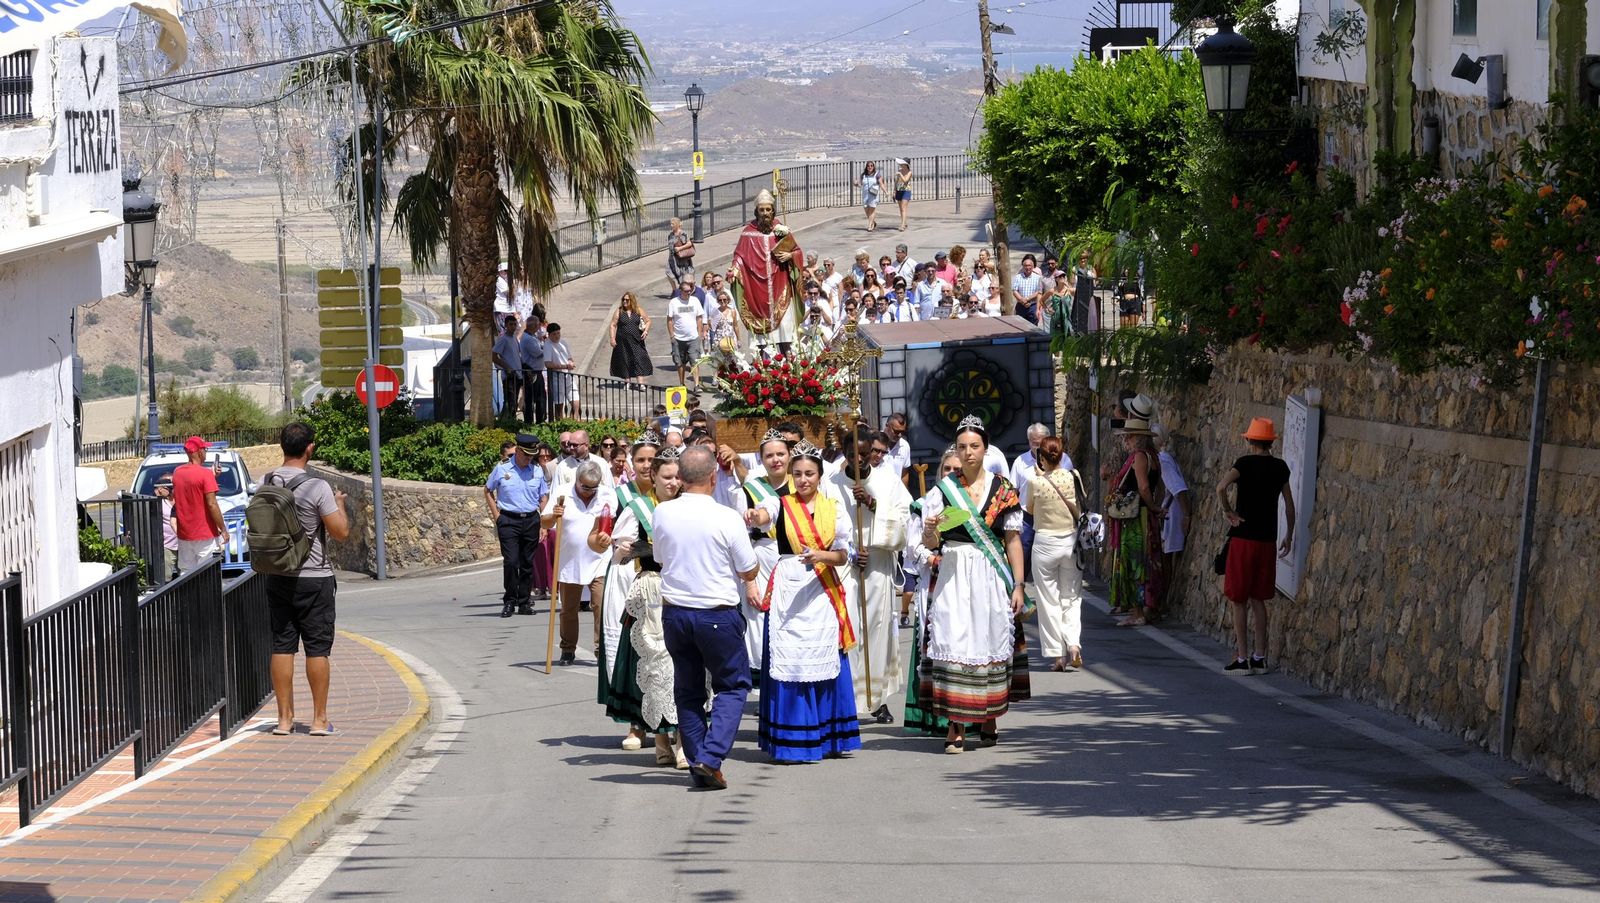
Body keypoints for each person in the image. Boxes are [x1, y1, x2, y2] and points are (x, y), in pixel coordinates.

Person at [916, 416, 1028, 753]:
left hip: (990, 575)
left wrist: (1019, 585)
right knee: (954, 638)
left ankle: (990, 716)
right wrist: (930, 529)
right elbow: (931, 542)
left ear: (985, 449)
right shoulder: (944, 490)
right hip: (953, 572)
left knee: (988, 637)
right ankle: (956, 726)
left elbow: (1012, 541)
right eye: (962, 447)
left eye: (974, 446)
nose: (968, 453)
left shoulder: (1003, 490)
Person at [654, 446, 762, 790]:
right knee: (732, 686)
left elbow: (659, 556)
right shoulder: (726, 516)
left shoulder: (663, 513)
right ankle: (710, 758)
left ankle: (701, 762)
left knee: (687, 691)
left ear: (681, 479)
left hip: (675, 613)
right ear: (714, 477)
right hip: (715, 612)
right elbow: (749, 569)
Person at [754, 440, 864, 763]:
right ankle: (791, 738)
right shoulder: (779, 503)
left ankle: (829, 735)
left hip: (822, 586)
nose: (803, 480)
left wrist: (820, 555)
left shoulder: (833, 508)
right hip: (789, 585)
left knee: (824, 652)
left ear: (819, 476)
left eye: (810, 474)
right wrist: (753, 513)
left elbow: (844, 555)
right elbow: (763, 514)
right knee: (791, 657)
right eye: (798, 474)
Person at [601, 443, 690, 769]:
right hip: (652, 591)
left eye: (677, 477)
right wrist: (625, 548)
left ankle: (682, 741)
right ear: (653, 477)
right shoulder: (639, 508)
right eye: (666, 477)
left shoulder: (688, 506)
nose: (673, 483)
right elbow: (617, 554)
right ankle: (662, 741)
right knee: (655, 667)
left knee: (684, 665)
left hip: (683, 589)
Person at [263, 422, 351, 737]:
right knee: (317, 649)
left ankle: (284, 721)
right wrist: (339, 505)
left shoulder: (267, 481)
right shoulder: (317, 487)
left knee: (282, 645)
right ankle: (319, 720)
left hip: (277, 576)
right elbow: (340, 532)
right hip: (314, 578)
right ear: (310, 448)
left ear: (282, 446)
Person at [831, 430, 909, 723]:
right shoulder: (832, 484)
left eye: (865, 454)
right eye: (854, 454)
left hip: (877, 564)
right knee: (848, 630)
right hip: (844, 568)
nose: (860, 459)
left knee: (876, 630)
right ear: (845, 451)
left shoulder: (887, 480)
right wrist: (849, 552)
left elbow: (905, 519)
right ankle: (848, 699)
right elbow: (824, 526)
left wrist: (874, 505)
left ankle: (877, 699)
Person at [593, 433, 661, 751]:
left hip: (661, 583)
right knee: (633, 649)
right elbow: (596, 538)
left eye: (652, 459)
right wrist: (603, 542)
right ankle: (636, 725)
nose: (646, 465)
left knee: (663, 653)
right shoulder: (618, 495)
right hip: (626, 578)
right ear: (632, 462)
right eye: (641, 460)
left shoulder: (672, 494)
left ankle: (666, 722)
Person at [1216, 418, 1294, 673]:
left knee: (1238, 599)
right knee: (1259, 599)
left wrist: (1229, 512)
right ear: (1271, 442)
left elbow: (1221, 487)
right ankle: (1260, 657)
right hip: (1267, 540)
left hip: (1244, 537)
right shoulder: (1280, 468)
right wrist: (1289, 535)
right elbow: (1289, 506)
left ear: (1249, 440)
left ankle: (1242, 658)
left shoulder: (1244, 464)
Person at [903, 449, 963, 736]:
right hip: (933, 581)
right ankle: (935, 717)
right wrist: (931, 558)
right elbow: (912, 547)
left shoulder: (972, 504)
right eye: (947, 468)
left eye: (957, 468)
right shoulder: (924, 504)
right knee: (934, 643)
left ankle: (965, 714)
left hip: (964, 583)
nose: (951, 472)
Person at [542, 461, 617, 665]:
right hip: (569, 561)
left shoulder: (607, 494)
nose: (589, 492)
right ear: (577, 480)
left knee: (600, 606)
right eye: (585, 487)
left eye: (593, 488)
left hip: (599, 559)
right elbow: (545, 522)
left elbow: (609, 524)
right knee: (569, 609)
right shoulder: (562, 493)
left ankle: (601, 650)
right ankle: (567, 649)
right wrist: (554, 514)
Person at [737, 430, 792, 684]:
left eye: (781, 454)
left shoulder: (801, 483)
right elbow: (742, 537)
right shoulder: (750, 490)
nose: (776, 460)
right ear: (761, 459)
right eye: (769, 455)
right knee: (760, 619)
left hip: (793, 559)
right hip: (760, 558)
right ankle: (766, 684)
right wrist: (748, 581)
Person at [1027, 437, 1084, 672]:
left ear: (1041, 457)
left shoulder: (1034, 481)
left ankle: (1057, 655)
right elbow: (1082, 502)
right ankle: (1073, 644)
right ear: (1061, 455)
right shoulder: (1074, 476)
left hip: (1045, 542)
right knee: (1071, 596)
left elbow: (1029, 509)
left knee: (1048, 600)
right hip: (1070, 541)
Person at [728, 188, 805, 359]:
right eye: (762, 210)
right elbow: (739, 257)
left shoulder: (781, 230)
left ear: (773, 210)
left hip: (780, 287)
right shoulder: (748, 233)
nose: (765, 213)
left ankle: (788, 368)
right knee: (762, 342)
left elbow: (798, 251)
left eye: (768, 209)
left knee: (784, 336)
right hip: (757, 293)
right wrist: (734, 269)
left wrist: (791, 255)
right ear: (757, 211)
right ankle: (764, 374)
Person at [1107, 414, 1166, 627]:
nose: (1126, 440)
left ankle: (1138, 612)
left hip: (1135, 518)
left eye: (1129, 436)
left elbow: (1143, 487)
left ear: (1137, 438)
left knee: (1135, 562)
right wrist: (1156, 508)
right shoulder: (1154, 456)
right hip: (1146, 517)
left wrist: (1151, 506)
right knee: (1149, 561)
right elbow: (1159, 486)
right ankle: (1150, 608)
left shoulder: (1140, 456)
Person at [486, 433, 550, 618]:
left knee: (527, 563)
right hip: (508, 520)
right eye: (527, 455)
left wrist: (543, 524)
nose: (529, 458)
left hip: (531, 520)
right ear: (519, 451)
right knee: (512, 562)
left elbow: (543, 497)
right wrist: (497, 516)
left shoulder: (537, 470)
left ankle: (524, 603)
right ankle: (509, 601)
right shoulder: (502, 468)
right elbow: (488, 490)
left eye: (532, 455)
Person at [171, 435, 226, 574]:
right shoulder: (205, 474)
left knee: (186, 573)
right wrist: (223, 529)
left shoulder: (177, 473)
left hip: (185, 534)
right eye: (205, 449)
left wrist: (212, 477)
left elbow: (191, 489)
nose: (206, 452)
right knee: (207, 573)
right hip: (205, 533)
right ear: (199, 452)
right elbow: (212, 504)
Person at [1152, 424, 1193, 604]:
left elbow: (1178, 488)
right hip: (1169, 513)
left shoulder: (1162, 460)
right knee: (1164, 559)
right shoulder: (1164, 458)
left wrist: (1186, 515)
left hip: (1170, 515)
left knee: (1165, 560)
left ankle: (1162, 600)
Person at [667, 278, 706, 389]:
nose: (689, 293)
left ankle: (697, 385)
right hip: (678, 338)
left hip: (693, 338)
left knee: (694, 361)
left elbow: (699, 318)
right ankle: (682, 383)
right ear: (680, 291)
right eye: (686, 291)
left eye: (690, 290)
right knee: (680, 363)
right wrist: (672, 335)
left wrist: (699, 334)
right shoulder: (674, 303)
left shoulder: (695, 301)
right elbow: (669, 320)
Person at [609, 292, 652, 387]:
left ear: (631, 301)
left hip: (636, 340)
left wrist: (646, 331)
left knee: (638, 359)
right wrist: (612, 338)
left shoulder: (638, 310)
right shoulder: (619, 311)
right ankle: (627, 382)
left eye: (627, 300)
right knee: (625, 360)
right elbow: (613, 325)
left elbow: (648, 321)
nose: (624, 301)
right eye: (623, 300)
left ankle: (640, 384)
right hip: (622, 342)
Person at [518, 314, 548, 423]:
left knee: (539, 397)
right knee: (535, 398)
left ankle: (539, 418)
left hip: (536, 371)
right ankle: (532, 420)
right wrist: (547, 347)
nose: (539, 326)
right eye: (537, 324)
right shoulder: (529, 339)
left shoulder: (532, 337)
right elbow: (538, 354)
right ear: (533, 326)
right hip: (532, 372)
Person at [543, 323, 577, 419]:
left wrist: (570, 362)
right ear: (549, 334)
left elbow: (569, 357)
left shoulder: (563, 342)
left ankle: (572, 422)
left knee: (575, 400)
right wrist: (565, 366)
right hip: (556, 377)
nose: (557, 336)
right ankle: (559, 422)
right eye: (554, 334)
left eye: (558, 333)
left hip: (568, 376)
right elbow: (548, 364)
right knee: (559, 403)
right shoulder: (548, 345)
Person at [492, 313, 523, 417]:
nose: (513, 326)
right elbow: (494, 356)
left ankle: (511, 422)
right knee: (510, 402)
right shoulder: (503, 339)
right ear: (506, 325)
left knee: (514, 402)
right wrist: (507, 367)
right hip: (509, 376)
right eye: (511, 324)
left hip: (517, 374)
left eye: (515, 324)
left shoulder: (514, 338)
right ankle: (507, 423)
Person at [153, 473, 178, 575]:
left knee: (186, 574)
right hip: (168, 545)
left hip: (184, 543)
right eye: (167, 486)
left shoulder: (180, 498)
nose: (171, 488)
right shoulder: (158, 502)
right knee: (167, 576)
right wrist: (158, 495)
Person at [1011, 253, 1045, 324]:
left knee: (1033, 327)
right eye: (1025, 265)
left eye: (1029, 265)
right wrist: (1021, 300)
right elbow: (1014, 290)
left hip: (1033, 306)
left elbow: (1039, 292)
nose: (1027, 267)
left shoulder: (1038, 278)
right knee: (1019, 326)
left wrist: (1027, 299)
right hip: (1020, 306)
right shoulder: (1018, 277)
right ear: (1023, 266)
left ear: (1033, 267)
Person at [1070, 250, 1098, 335]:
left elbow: (1095, 282)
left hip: (1089, 296)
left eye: (1084, 258)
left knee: (1089, 318)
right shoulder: (1074, 269)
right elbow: (1071, 283)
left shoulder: (1091, 268)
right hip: (1078, 297)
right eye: (1080, 258)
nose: (1082, 260)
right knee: (1078, 319)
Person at [666, 217, 695, 297]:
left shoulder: (683, 234)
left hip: (681, 258)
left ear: (678, 225)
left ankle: (687, 290)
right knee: (668, 273)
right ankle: (675, 290)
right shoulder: (671, 235)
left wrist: (679, 248)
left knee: (684, 275)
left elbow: (689, 244)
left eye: (673, 224)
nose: (671, 225)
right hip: (672, 259)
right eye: (671, 224)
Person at [883, 412, 910, 478]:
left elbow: (904, 474)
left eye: (902, 432)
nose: (899, 435)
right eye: (896, 431)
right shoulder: (876, 442)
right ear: (887, 426)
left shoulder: (905, 446)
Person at [859, 161, 882, 232]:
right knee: (867, 211)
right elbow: (860, 185)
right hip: (865, 195)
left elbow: (881, 183)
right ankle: (873, 222)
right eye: (868, 166)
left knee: (872, 210)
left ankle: (870, 226)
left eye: (871, 166)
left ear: (873, 167)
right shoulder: (863, 175)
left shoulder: (877, 174)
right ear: (866, 167)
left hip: (873, 195)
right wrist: (856, 184)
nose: (870, 167)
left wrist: (886, 192)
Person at [893, 158, 913, 231]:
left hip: (906, 191)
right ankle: (904, 222)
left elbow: (905, 181)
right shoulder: (899, 171)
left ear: (906, 165)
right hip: (899, 190)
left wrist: (900, 174)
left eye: (902, 164)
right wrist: (894, 191)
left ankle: (902, 225)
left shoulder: (909, 172)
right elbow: (896, 182)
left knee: (904, 208)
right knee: (901, 208)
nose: (901, 165)